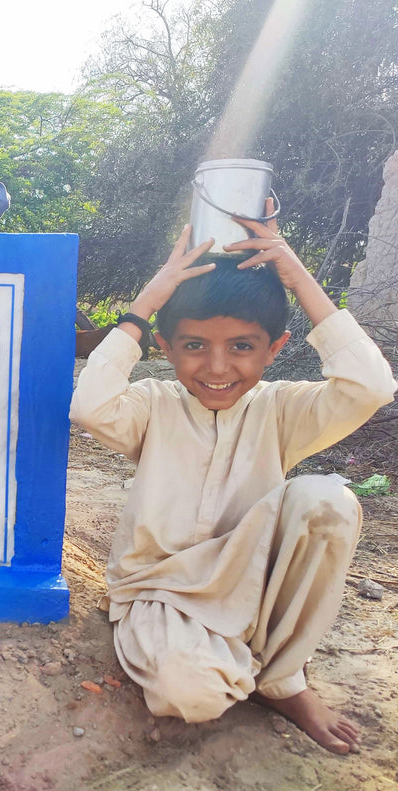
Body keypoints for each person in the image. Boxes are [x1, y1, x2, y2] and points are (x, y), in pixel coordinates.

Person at [69, 214, 395, 755]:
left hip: (250, 585)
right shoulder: (155, 403)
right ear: (167, 349)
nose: (217, 367)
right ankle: (244, 666)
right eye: (194, 346)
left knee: (328, 502)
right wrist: (149, 299)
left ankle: (284, 681)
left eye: (242, 347)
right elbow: (90, 406)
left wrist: (295, 274)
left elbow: (370, 386)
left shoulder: (282, 408)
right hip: (162, 594)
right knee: (189, 694)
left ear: (275, 348)